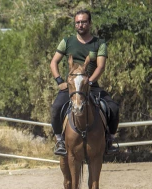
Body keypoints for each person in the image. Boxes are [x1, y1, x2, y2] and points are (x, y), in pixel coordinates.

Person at [50, 9, 120, 156]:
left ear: (89, 23)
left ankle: (109, 141)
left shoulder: (99, 43)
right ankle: (60, 141)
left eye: (83, 22)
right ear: (75, 24)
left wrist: (90, 82)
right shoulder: (67, 41)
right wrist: (59, 81)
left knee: (113, 108)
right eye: (78, 22)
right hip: (72, 86)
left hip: (91, 86)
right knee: (56, 108)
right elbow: (54, 62)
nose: (80, 25)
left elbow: (100, 66)